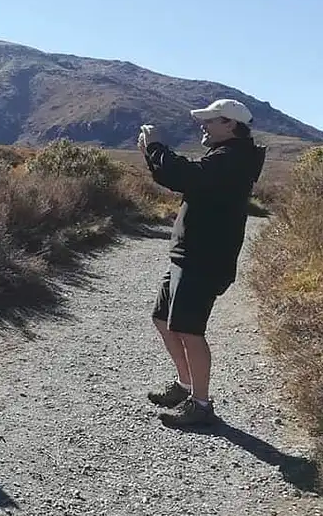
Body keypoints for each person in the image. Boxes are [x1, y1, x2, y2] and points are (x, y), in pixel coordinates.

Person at [137, 98, 266, 427]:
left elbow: (185, 176)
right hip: (190, 255)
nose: (203, 126)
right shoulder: (227, 156)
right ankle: (185, 385)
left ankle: (202, 405)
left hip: (204, 260)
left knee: (190, 331)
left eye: (210, 121)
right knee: (163, 320)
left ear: (230, 126)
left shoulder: (234, 159)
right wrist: (153, 152)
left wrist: (156, 147)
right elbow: (181, 175)